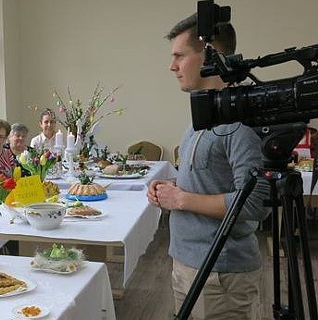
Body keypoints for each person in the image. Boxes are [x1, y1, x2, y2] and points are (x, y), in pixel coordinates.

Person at [147, 13, 270, 319]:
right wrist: (172, 189)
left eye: (179, 56)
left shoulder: (240, 123)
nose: (172, 66)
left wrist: (182, 199)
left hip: (219, 274)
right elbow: (209, 180)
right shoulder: (203, 118)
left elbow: (256, 202)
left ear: (211, 56)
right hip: (189, 263)